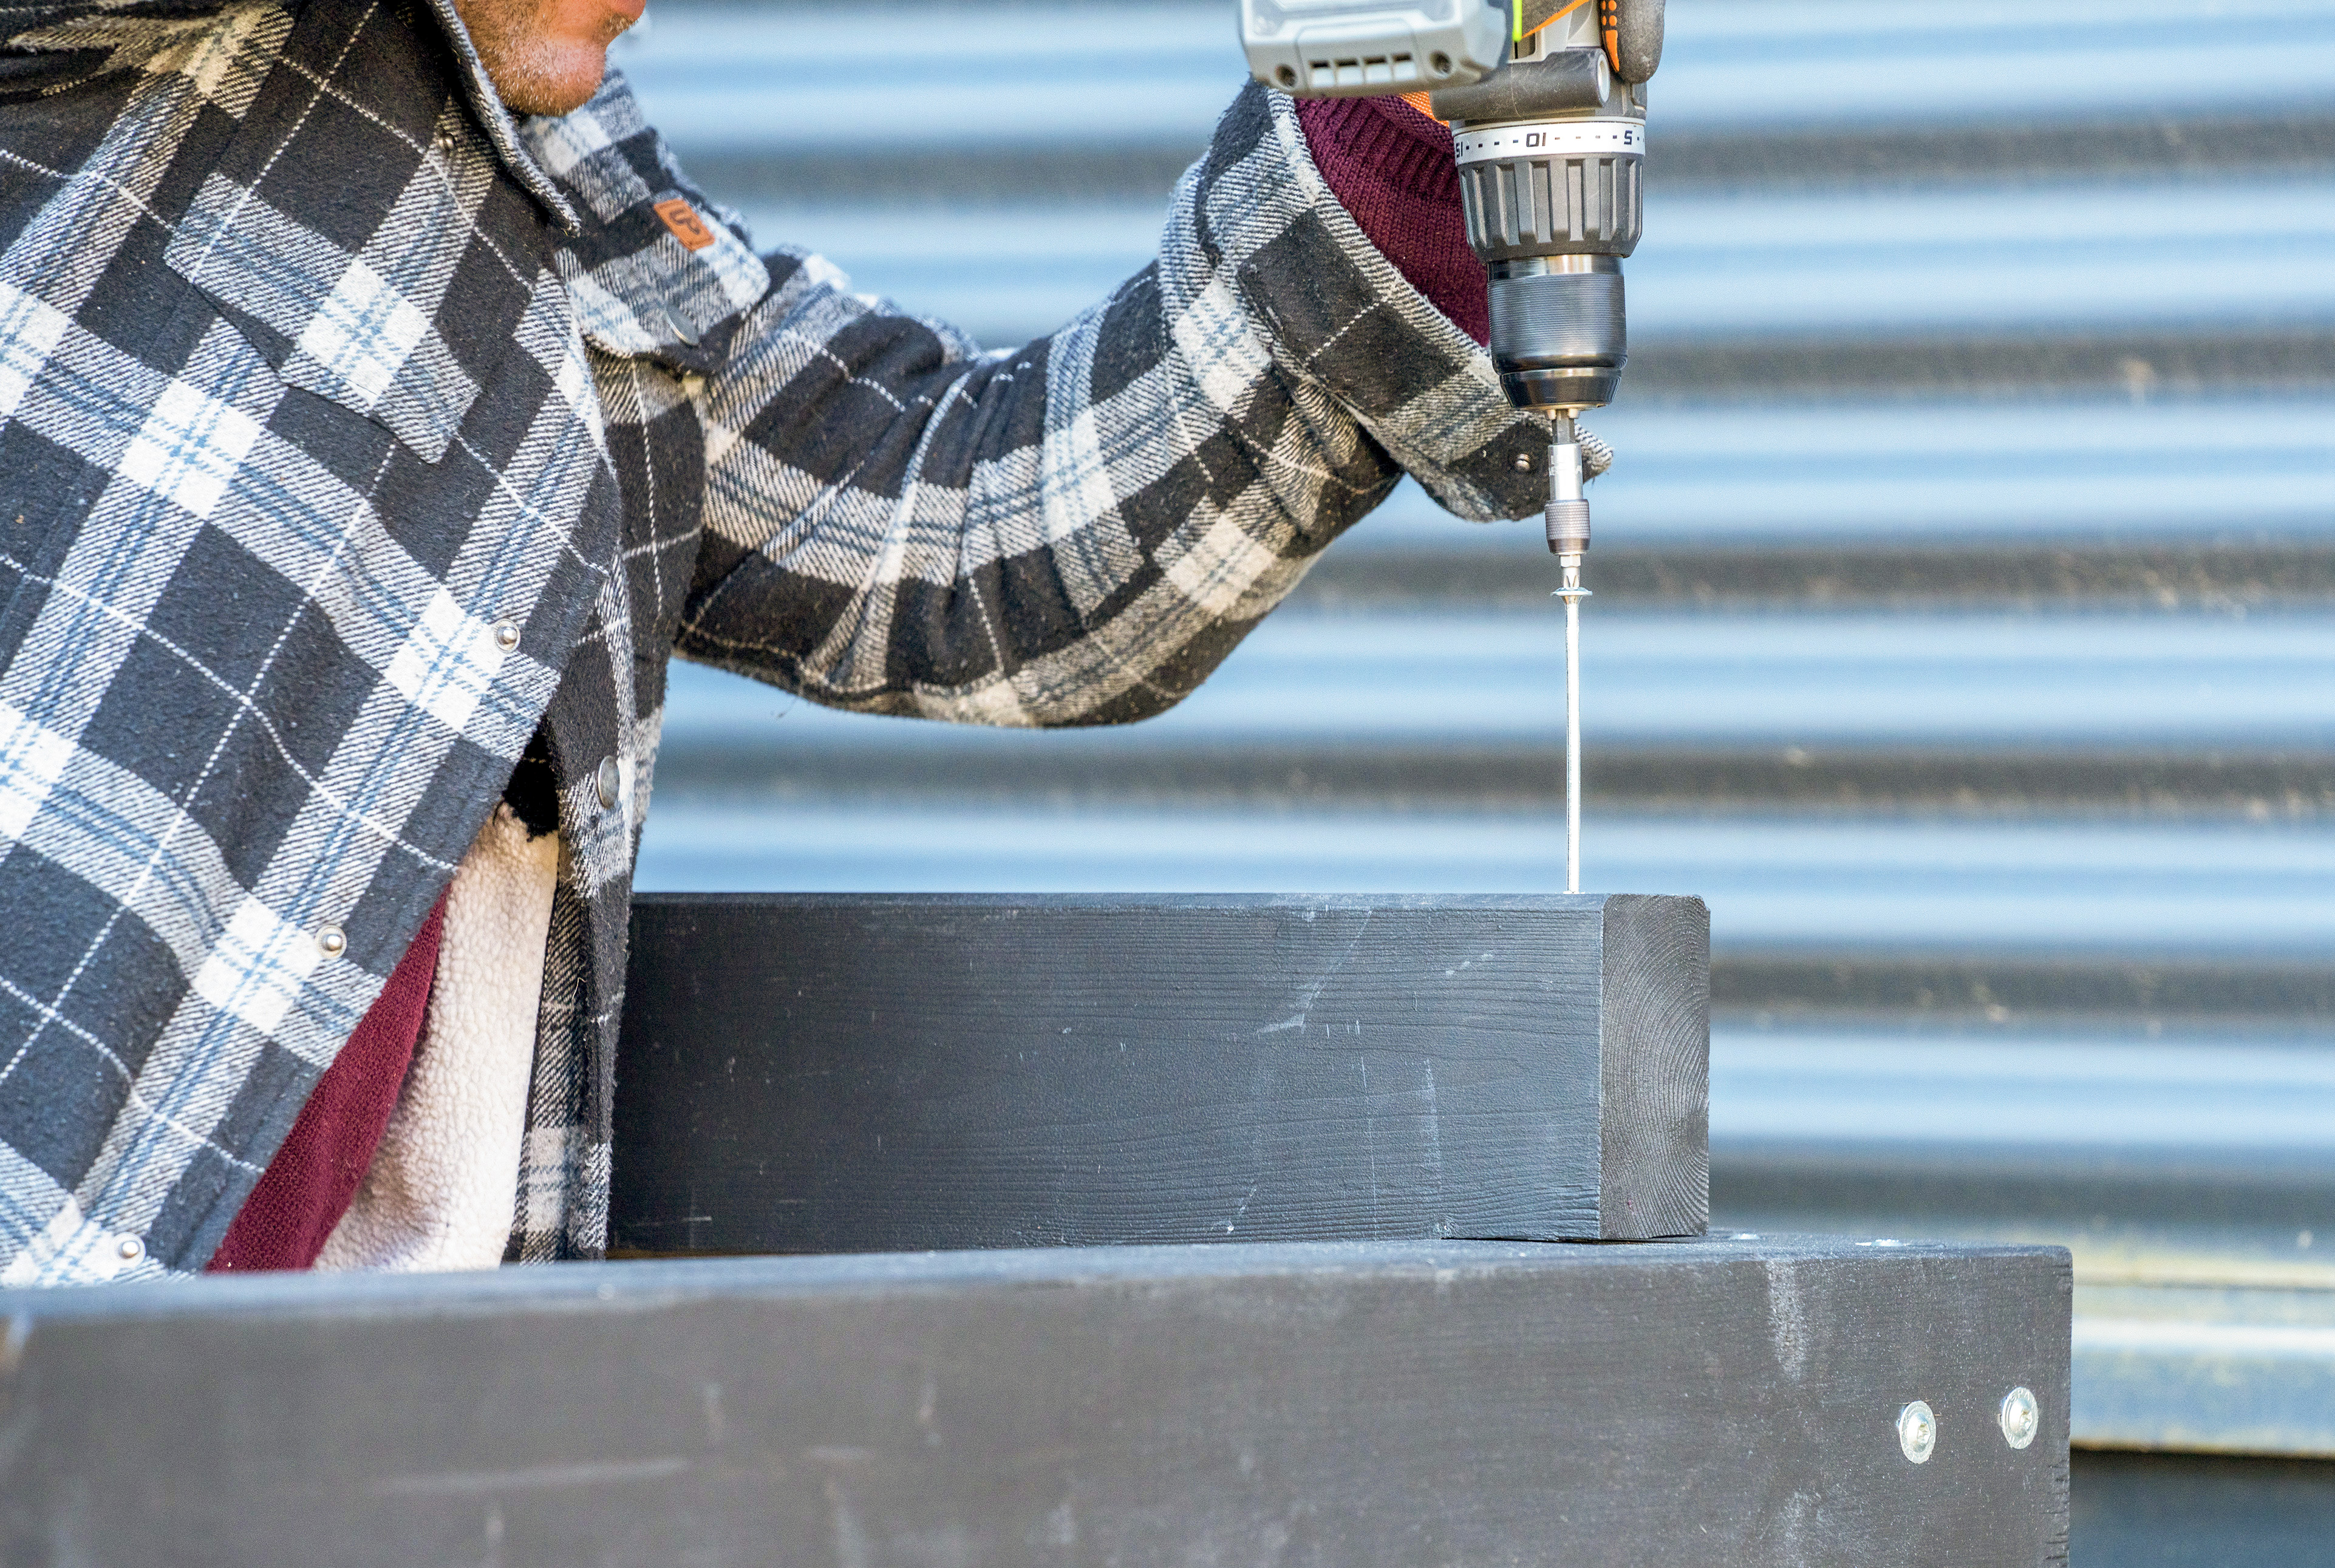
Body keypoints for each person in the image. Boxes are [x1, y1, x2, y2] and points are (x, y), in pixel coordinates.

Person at [0, 0, 1586, 1286]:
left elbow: (991, 539)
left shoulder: (551, 209)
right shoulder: (109, 55)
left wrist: (1396, 98)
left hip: (290, 1509)